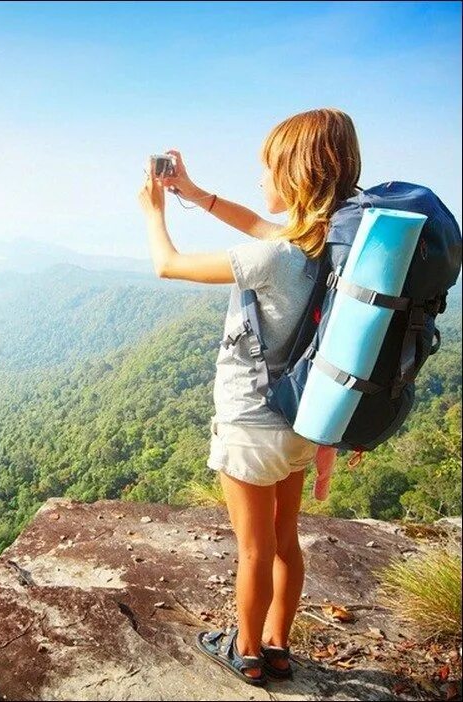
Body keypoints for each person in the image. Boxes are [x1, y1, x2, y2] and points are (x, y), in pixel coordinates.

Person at [136, 108, 362, 686]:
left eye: (267, 170)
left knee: (254, 549)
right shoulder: (328, 245)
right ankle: (279, 646)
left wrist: (154, 213)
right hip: (298, 423)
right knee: (286, 542)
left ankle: (248, 652)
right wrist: (193, 191)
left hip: (250, 425)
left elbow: (167, 265)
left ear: (295, 173)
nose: (261, 183)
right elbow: (259, 225)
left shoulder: (272, 256)